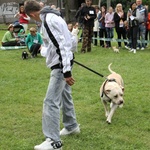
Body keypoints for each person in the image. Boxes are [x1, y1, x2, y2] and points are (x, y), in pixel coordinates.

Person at [24, 1, 80, 150]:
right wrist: (43, 50)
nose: (33, 20)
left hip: (60, 66)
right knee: (64, 95)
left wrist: (66, 71)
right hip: (63, 62)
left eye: (31, 18)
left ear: (33, 14)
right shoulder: (54, 16)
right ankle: (71, 126)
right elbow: (66, 42)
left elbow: (63, 45)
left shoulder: (48, 19)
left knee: (50, 102)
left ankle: (53, 141)